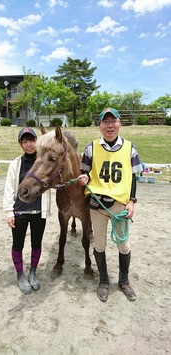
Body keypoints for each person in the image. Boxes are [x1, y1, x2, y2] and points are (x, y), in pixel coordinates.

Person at [78, 108, 142, 302]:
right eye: (105, 122)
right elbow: (86, 173)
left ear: (120, 124)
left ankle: (124, 281)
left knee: (123, 244)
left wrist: (131, 201)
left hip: (119, 206)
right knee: (99, 243)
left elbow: (132, 178)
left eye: (113, 121)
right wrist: (84, 178)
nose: (109, 125)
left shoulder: (130, 148)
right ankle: (103, 281)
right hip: (98, 205)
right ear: (100, 126)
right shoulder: (91, 147)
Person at [3, 127, 51, 294]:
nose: (29, 144)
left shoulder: (44, 162)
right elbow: (9, 189)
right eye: (25, 141)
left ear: (37, 141)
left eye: (32, 140)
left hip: (39, 212)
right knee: (18, 245)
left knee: (36, 243)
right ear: (21, 144)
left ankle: (32, 272)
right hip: (20, 212)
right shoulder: (16, 164)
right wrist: (9, 212)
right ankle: (20, 275)